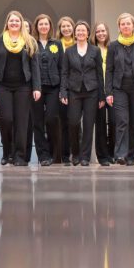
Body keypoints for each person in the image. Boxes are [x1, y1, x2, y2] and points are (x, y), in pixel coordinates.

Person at [0, 10, 41, 166]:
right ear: (7, 23)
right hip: (2, 86)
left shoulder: (29, 41)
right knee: (6, 118)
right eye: (11, 21)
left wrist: (36, 87)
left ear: (21, 24)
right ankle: (7, 152)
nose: (14, 23)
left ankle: (19, 156)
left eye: (17, 21)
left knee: (21, 122)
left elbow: (35, 67)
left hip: (23, 87)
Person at [105, 13, 134, 166]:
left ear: (133, 26)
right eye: (122, 24)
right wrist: (109, 92)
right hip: (119, 89)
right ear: (119, 27)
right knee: (122, 121)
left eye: (128, 24)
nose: (125, 26)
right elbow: (109, 70)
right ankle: (120, 155)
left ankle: (131, 156)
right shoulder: (113, 46)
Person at [60, 21, 105, 166]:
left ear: (87, 33)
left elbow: (99, 74)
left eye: (83, 30)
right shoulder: (69, 51)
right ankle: (76, 153)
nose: (80, 33)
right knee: (73, 122)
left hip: (92, 91)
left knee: (88, 124)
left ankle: (85, 157)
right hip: (74, 91)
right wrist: (63, 92)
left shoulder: (95, 51)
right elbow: (65, 73)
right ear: (75, 33)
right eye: (78, 30)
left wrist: (101, 95)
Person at [28, 14, 62, 166]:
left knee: (51, 119)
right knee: (38, 122)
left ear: (50, 26)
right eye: (40, 24)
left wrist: (63, 89)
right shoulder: (31, 43)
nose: (43, 26)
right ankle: (43, 156)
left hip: (54, 87)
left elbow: (62, 67)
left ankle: (54, 153)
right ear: (36, 26)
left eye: (46, 24)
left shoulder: (57, 44)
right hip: (36, 88)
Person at [91, 22, 115, 165]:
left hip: (112, 91)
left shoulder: (113, 48)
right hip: (98, 91)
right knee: (99, 124)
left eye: (103, 31)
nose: (101, 33)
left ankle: (112, 152)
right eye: (98, 31)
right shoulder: (91, 49)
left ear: (107, 32)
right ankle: (102, 156)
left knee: (114, 121)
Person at [56, 16, 76, 165]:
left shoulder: (80, 44)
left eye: (68, 26)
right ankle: (64, 155)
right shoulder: (56, 45)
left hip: (76, 88)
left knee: (75, 123)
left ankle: (78, 153)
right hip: (61, 87)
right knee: (63, 123)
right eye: (63, 27)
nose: (66, 29)